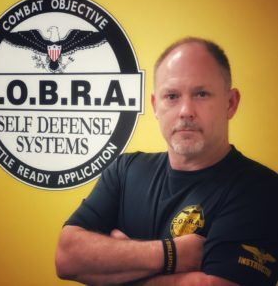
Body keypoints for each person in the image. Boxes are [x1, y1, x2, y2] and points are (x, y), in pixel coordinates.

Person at [55, 37, 278, 286]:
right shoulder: (124, 170)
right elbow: (67, 257)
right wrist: (172, 255)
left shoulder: (262, 190)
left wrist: (117, 265)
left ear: (231, 103)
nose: (185, 110)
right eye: (171, 96)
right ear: (155, 106)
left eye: (201, 94)